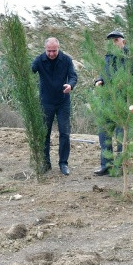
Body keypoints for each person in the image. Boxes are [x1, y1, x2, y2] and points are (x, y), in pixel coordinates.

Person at [93, 30, 133, 176]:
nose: (114, 43)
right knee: (104, 132)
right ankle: (106, 164)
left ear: (123, 41)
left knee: (120, 133)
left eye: (116, 40)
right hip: (107, 99)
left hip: (123, 100)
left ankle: (120, 166)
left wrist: (124, 85)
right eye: (111, 41)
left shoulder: (132, 56)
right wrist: (99, 80)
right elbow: (104, 73)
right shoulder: (108, 57)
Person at [31, 37, 78, 175]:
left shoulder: (66, 60)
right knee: (45, 134)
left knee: (64, 133)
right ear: (45, 49)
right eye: (49, 51)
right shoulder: (39, 60)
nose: (51, 54)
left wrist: (71, 85)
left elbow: (73, 76)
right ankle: (46, 163)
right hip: (46, 102)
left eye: (54, 51)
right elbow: (29, 71)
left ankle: (63, 163)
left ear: (58, 48)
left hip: (63, 101)